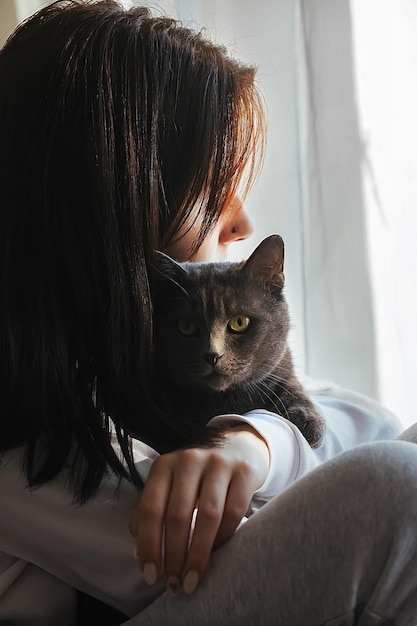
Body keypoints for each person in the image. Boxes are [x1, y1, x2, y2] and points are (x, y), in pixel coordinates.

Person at [1, 2, 417, 625]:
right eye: (214, 186)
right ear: (116, 202)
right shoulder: (28, 451)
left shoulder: (142, 367)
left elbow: (372, 422)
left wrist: (258, 444)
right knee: (392, 494)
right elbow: (183, 561)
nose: (243, 220)